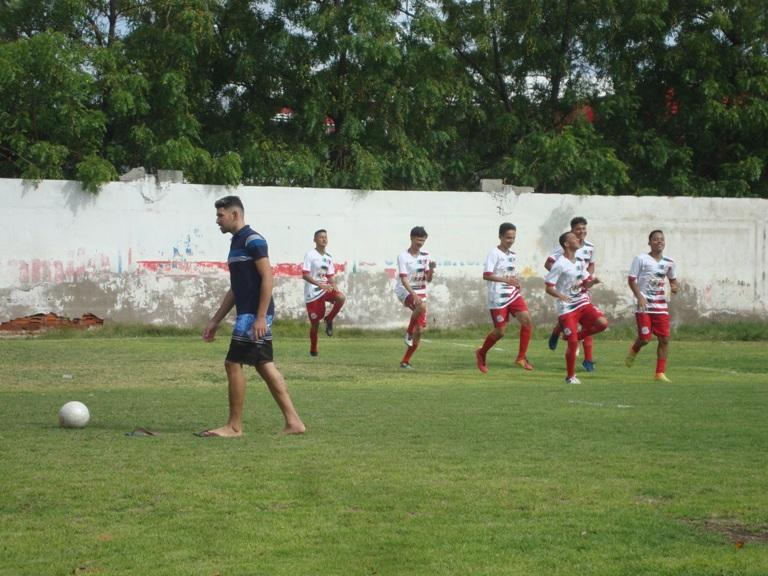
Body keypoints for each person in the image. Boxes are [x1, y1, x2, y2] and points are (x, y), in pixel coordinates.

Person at [200, 195, 305, 437]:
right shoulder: (236, 243)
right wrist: (216, 320)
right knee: (263, 365)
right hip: (248, 314)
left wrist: (260, 316)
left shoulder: (253, 240)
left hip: (253, 316)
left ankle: (234, 426)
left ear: (235, 214)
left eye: (220, 215)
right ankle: (294, 422)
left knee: (232, 363)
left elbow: (268, 277)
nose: (217, 220)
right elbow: (235, 288)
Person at [544, 231, 609, 384]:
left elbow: (585, 282)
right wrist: (560, 296)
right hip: (567, 307)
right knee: (573, 344)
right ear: (566, 244)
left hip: (582, 301)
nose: (578, 239)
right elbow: (548, 287)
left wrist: (593, 282)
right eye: (573, 238)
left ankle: (575, 336)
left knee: (602, 323)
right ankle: (570, 376)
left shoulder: (580, 261)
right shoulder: (559, 264)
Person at [475, 222, 534, 373]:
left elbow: (510, 274)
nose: (511, 240)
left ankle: (521, 357)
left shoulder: (513, 255)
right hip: (497, 297)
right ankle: (481, 353)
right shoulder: (494, 253)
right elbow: (486, 275)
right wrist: (505, 280)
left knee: (527, 321)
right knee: (500, 332)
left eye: (513, 238)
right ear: (500, 236)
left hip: (512, 294)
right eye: (508, 237)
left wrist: (516, 282)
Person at [544, 216, 598, 371]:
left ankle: (588, 360)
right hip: (568, 289)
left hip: (582, 288)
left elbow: (591, 265)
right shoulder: (564, 246)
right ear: (572, 231)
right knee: (570, 319)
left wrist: (587, 278)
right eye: (577, 229)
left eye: (584, 228)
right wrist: (566, 278)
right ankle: (557, 331)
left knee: (587, 324)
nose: (581, 232)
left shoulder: (590, 247)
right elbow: (549, 263)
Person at [625, 230, 679, 382]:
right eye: (655, 239)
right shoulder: (641, 259)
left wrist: (674, 287)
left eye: (662, 239)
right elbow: (631, 280)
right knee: (645, 338)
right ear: (649, 242)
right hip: (644, 305)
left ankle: (659, 373)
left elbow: (673, 281)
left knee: (664, 339)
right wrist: (639, 296)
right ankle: (634, 349)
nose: (659, 241)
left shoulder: (669, 262)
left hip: (660, 306)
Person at [394, 226, 436, 369]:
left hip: (421, 292)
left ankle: (405, 361)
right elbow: (404, 279)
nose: (420, 243)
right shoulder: (403, 256)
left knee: (420, 330)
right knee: (421, 306)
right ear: (411, 238)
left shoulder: (426, 256)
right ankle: (408, 332)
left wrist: (432, 270)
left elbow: (428, 279)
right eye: (418, 240)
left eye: (423, 240)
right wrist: (413, 295)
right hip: (404, 291)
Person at [302, 229, 346, 357]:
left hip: (325, 288)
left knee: (341, 297)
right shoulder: (310, 255)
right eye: (321, 237)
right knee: (315, 322)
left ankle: (329, 319)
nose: (324, 239)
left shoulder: (328, 257)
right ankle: (313, 349)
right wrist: (319, 284)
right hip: (312, 292)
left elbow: (330, 276)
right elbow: (305, 275)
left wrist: (335, 287)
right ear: (315, 240)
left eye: (325, 237)